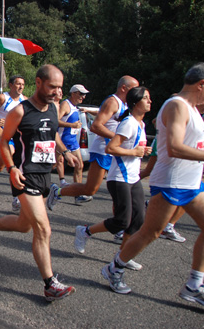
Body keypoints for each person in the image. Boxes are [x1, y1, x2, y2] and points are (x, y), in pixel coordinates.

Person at [101, 63, 204, 309]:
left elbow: (198, 146)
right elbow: (173, 147)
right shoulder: (176, 106)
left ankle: (194, 285)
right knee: (148, 232)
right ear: (201, 84)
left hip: (192, 183)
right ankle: (114, 268)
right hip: (172, 182)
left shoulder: (193, 109)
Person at [0, 65, 78, 302]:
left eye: (60, 87)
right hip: (24, 175)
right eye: (52, 87)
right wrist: (10, 169)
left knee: (23, 225)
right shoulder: (19, 111)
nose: (56, 92)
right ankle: (50, 284)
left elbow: (53, 134)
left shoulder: (54, 108)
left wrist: (65, 151)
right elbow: (4, 143)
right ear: (38, 83)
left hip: (43, 176)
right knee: (43, 229)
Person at [74, 87, 152, 263]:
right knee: (122, 221)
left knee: (139, 219)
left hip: (133, 178)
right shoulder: (129, 123)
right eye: (146, 98)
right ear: (136, 102)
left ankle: (123, 256)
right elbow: (111, 148)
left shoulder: (141, 124)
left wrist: (142, 150)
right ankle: (85, 231)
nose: (149, 101)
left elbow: (133, 148)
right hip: (119, 178)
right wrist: (134, 152)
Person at [47, 76, 139, 210]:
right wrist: (117, 138)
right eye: (81, 94)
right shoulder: (112, 102)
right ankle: (57, 189)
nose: (83, 97)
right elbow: (95, 126)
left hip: (105, 148)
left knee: (118, 185)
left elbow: (104, 115)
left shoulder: (125, 105)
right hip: (99, 148)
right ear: (124, 88)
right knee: (89, 188)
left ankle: (120, 222)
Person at [56, 84, 92, 203]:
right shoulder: (65, 105)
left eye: (84, 95)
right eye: (81, 94)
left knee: (79, 165)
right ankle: (59, 184)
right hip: (62, 140)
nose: (83, 97)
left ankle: (78, 194)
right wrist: (72, 125)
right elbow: (56, 121)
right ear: (73, 93)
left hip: (72, 141)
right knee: (56, 163)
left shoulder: (76, 107)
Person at [0, 75, 27, 178]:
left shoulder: (24, 100)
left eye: (23, 84)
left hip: (17, 135)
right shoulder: (2, 98)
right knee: (10, 152)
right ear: (11, 85)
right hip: (2, 133)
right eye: (18, 84)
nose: (21, 87)